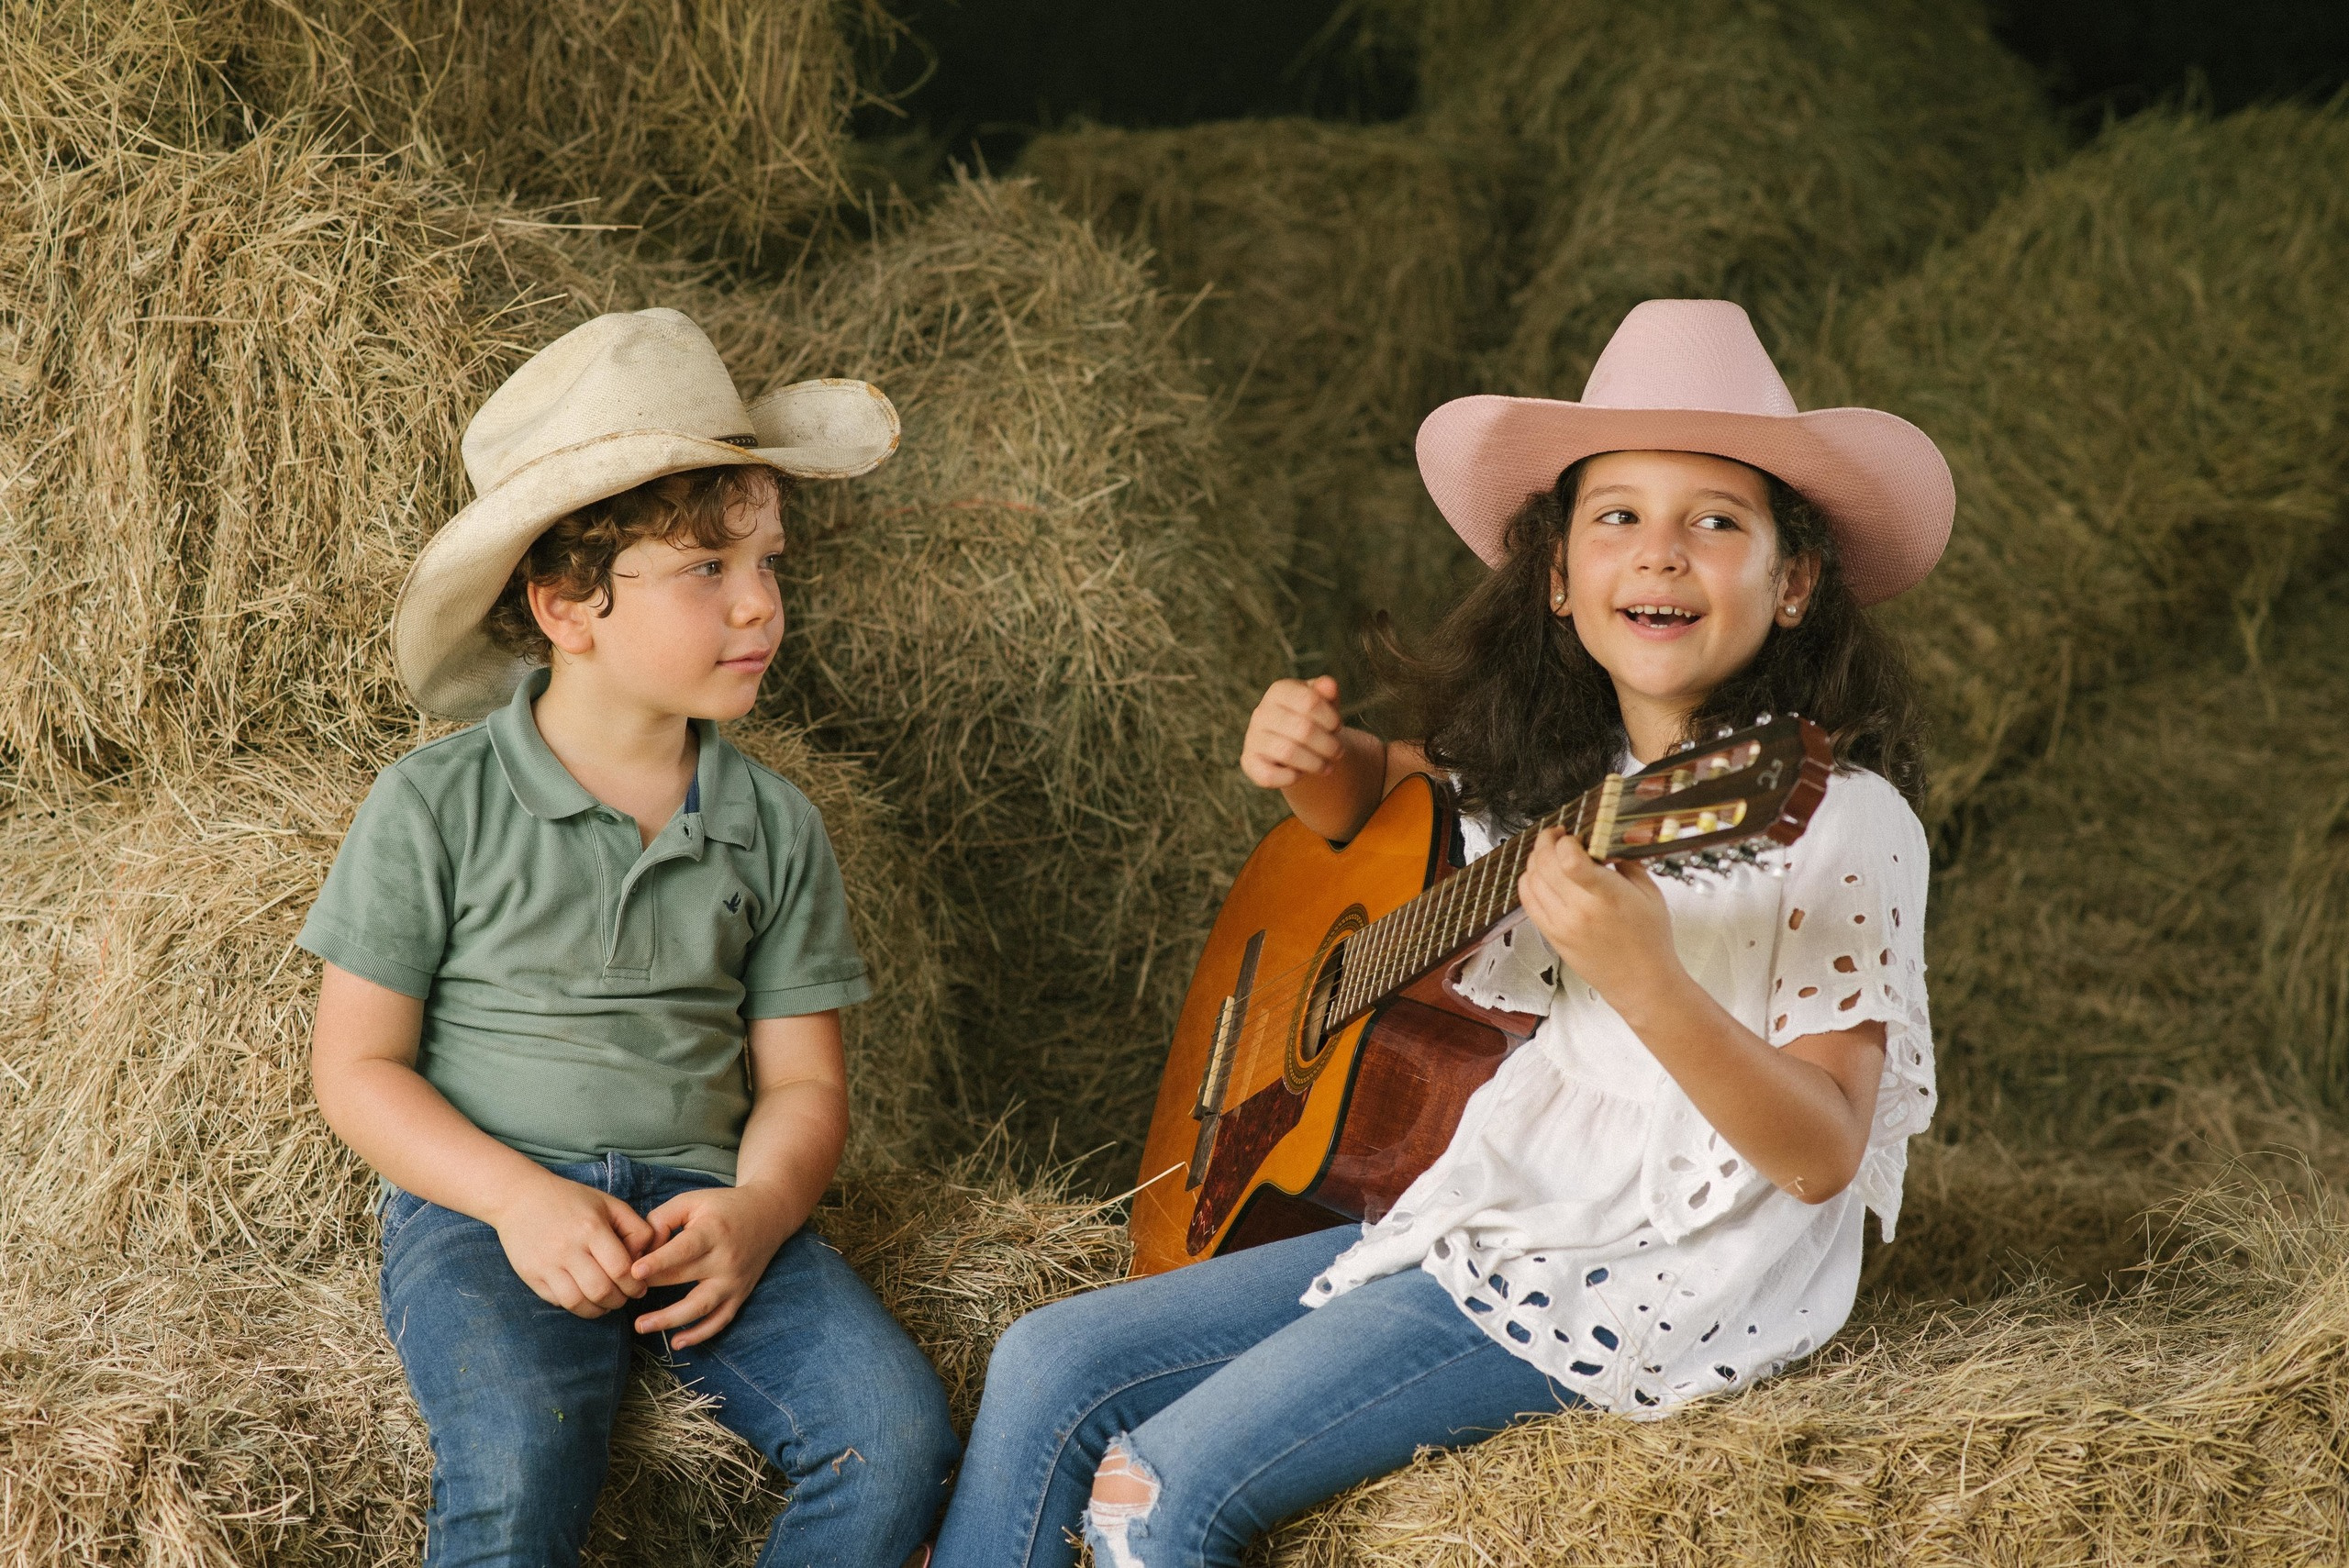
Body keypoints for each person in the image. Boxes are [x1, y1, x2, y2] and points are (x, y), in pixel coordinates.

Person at [929, 299, 1950, 1568]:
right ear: (1562, 576)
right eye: (1617, 514)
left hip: (1644, 1270)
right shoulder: (1557, 785)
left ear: (1794, 581)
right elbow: (1394, 805)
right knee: (1048, 1358)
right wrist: (1316, 761)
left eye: (1717, 520)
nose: (1663, 552)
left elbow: (1822, 1152)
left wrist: (1650, 979)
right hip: (1481, 1210)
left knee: (1155, 1491)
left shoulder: (1841, 822)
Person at [300, 309, 957, 1568]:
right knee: (521, 1453)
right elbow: (358, 1069)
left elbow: (807, 1081)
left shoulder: (773, 825)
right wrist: (520, 1200)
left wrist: (759, 1209)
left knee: (894, 1432)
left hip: (700, 1205)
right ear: (565, 607)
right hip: (492, 1207)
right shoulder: (433, 807)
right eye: (708, 569)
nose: (760, 602)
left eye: (767, 561)